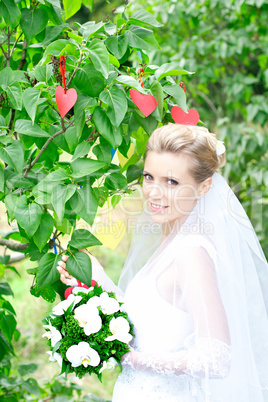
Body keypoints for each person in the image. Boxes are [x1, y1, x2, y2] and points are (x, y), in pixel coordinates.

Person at [57, 124, 268, 402]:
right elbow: (151, 326)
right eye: (149, 177)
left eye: (171, 182)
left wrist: (131, 359)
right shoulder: (173, 240)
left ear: (204, 186)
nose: (154, 193)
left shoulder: (192, 254)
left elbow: (216, 358)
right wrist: (99, 280)